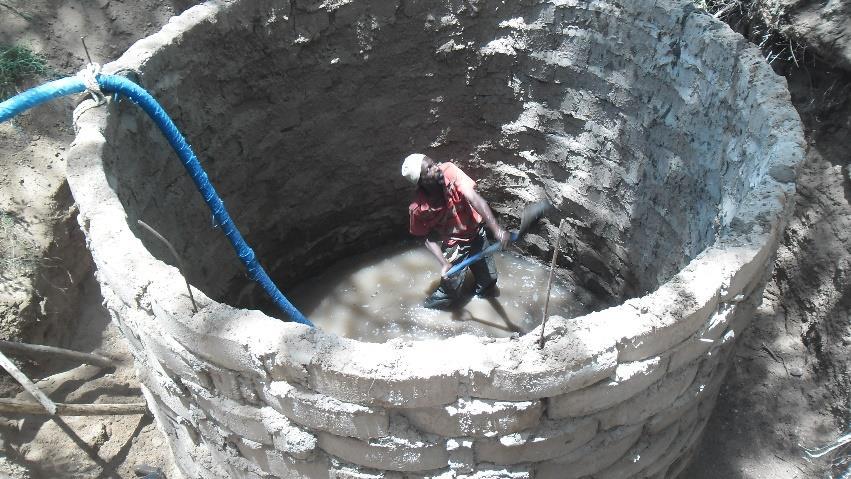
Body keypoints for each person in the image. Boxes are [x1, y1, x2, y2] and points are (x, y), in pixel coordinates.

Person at [401, 153, 510, 309]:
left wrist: (496, 229)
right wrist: (444, 263)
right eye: (429, 169)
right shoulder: (418, 209)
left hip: (476, 232)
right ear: (421, 181)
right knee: (450, 290)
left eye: (434, 163)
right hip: (455, 244)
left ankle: (478, 303)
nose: (436, 168)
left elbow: (475, 199)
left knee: (489, 280)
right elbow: (424, 237)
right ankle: (425, 310)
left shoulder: (449, 171)